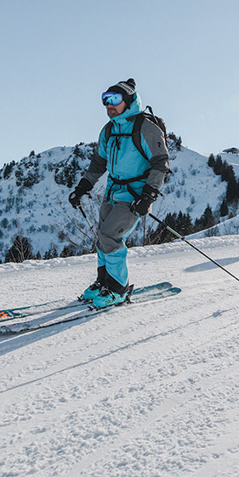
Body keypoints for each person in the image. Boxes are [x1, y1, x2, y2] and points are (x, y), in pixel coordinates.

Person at [68, 79, 169, 308]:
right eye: (105, 100)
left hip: (134, 196)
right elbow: (98, 163)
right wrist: (83, 187)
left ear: (129, 101)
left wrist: (149, 195)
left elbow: (161, 162)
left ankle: (118, 289)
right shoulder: (109, 129)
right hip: (112, 192)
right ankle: (104, 283)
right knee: (102, 237)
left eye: (114, 100)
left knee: (110, 237)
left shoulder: (145, 126)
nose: (108, 105)